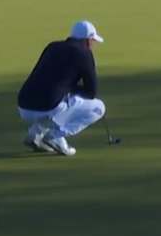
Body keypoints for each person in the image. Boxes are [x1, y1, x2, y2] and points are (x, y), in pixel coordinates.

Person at [16, 21, 107, 157]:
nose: (93, 45)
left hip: (23, 106)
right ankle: (55, 136)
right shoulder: (84, 54)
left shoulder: (52, 46)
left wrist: (66, 86)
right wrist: (70, 87)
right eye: (93, 41)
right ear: (88, 40)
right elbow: (91, 92)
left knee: (60, 97)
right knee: (98, 107)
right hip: (47, 106)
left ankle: (36, 133)